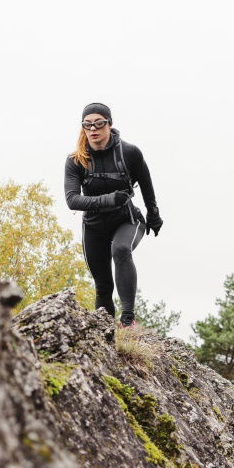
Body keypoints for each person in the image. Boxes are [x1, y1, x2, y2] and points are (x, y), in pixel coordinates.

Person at [63, 103, 163, 329]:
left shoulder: (129, 153)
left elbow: (147, 185)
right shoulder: (76, 160)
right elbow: (72, 200)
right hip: (93, 226)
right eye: (87, 125)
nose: (93, 129)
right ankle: (106, 334)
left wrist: (153, 215)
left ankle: (128, 320)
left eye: (99, 123)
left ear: (110, 123)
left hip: (127, 220)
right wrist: (108, 199)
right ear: (83, 127)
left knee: (120, 250)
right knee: (103, 285)